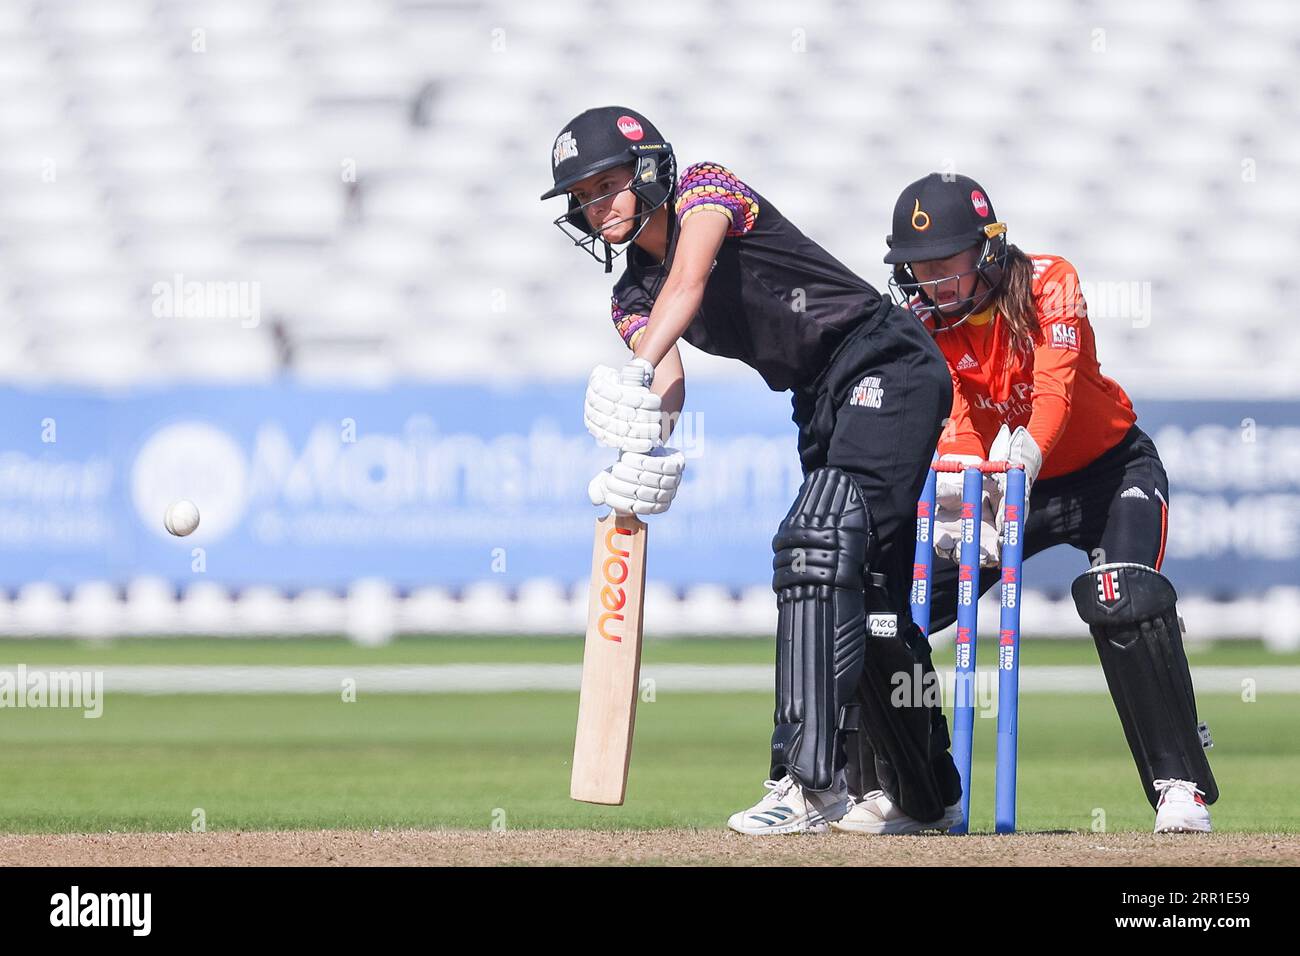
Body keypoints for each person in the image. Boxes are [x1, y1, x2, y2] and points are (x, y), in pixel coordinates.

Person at [542, 106, 964, 835]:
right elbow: (668, 384)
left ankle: (804, 783)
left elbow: (689, 287)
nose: (593, 205)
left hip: (883, 361)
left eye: (606, 184)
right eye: (581, 195)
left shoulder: (707, 191)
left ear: (648, 172)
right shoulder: (627, 298)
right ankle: (928, 796)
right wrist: (639, 447)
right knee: (864, 593)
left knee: (814, 542)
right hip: (819, 400)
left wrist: (632, 376)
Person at [882, 172, 1218, 833]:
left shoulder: (1048, 280)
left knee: (1121, 596)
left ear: (986, 250)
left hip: (1107, 470)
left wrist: (1027, 456)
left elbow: (1055, 393)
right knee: (895, 599)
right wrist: (969, 478)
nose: (930, 281)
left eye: (944, 262)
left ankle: (1180, 785)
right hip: (1005, 483)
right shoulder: (922, 321)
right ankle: (907, 788)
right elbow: (959, 421)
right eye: (917, 267)